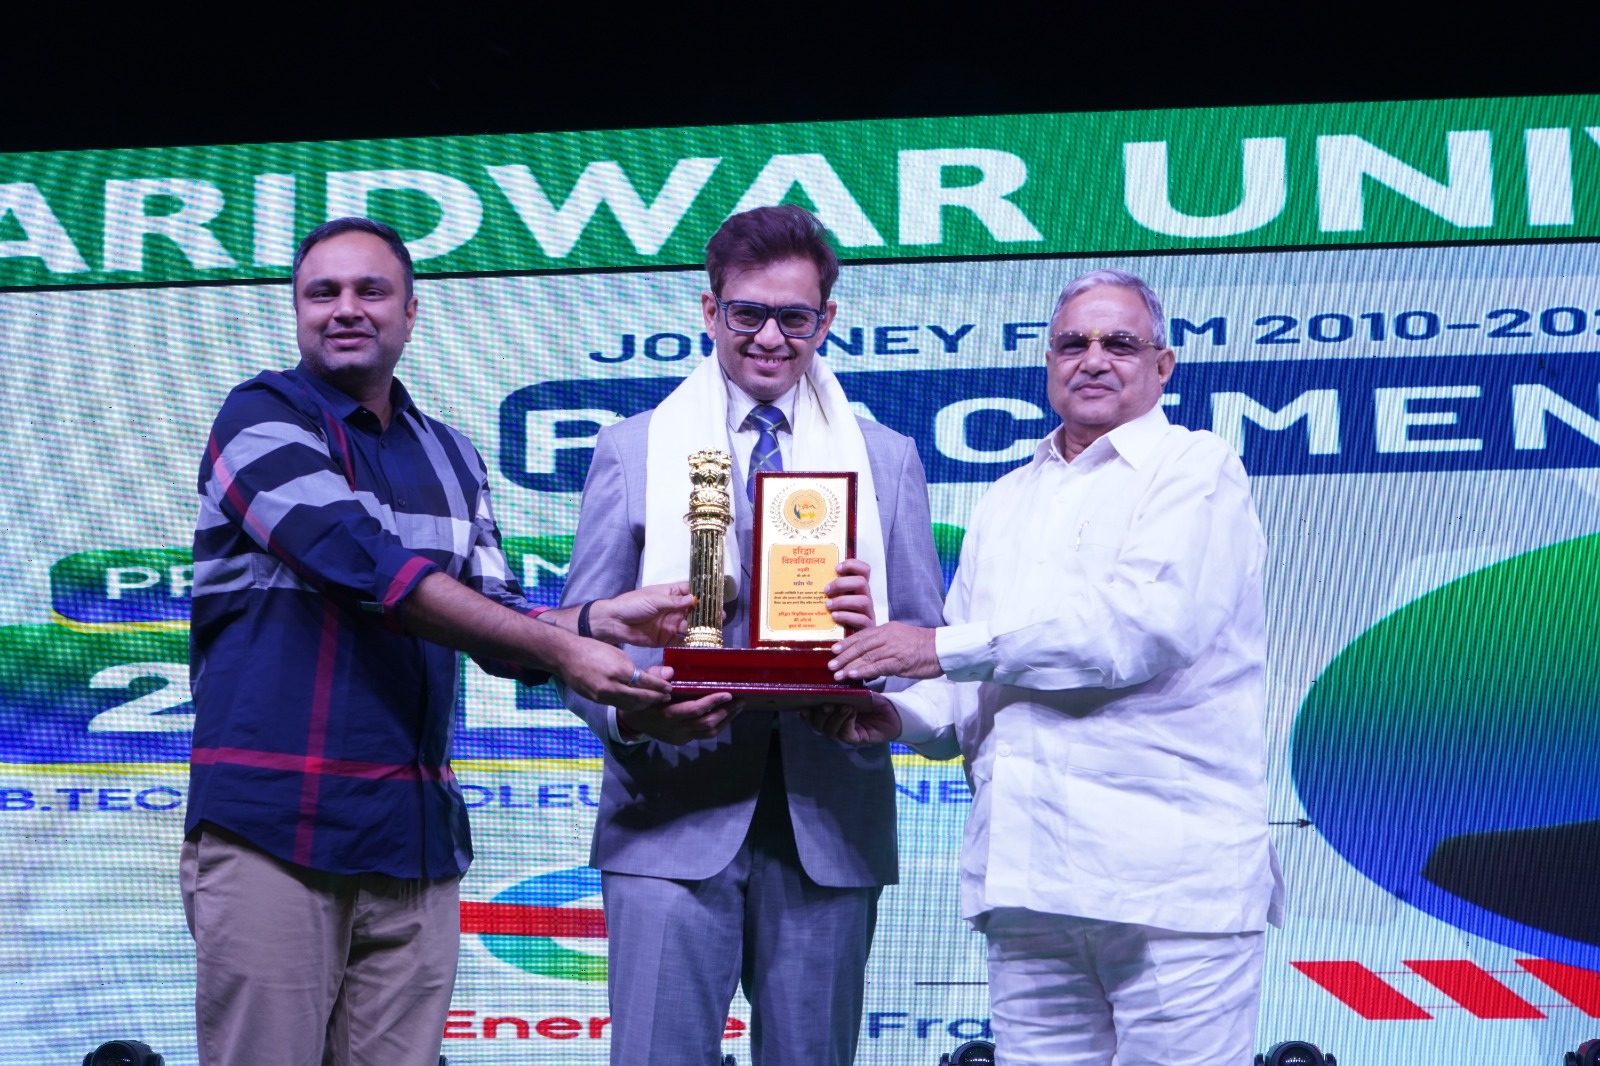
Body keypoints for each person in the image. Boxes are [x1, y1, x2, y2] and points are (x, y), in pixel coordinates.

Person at [183, 217, 696, 1066]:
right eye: (322, 293)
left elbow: (494, 620)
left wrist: (595, 621)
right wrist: (567, 647)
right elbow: (364, 566)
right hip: (274, 829)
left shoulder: (452, 454)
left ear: (411, 312)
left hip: (412, 841)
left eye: (371, 290)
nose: (346, 309)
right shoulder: (258, 419)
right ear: (298, 311)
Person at [823, 269, 1285, 1065]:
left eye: (1120, 343)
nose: (1094, 359)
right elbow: (966, 686)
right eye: (1074, 343)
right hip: (1027, 879)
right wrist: (894, 714)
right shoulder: (1005, 499)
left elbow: (1138, 632)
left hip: (1169, 887)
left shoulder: (1197, 468)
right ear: (1049, 363)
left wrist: (931, 648)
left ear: (1163, 365)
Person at [559, 205, 947, 1066]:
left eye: (794, 317)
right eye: (748, 313)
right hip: (666, 813)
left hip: (830, 819)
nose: (770, 337)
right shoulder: (634, 450)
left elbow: (930, 649)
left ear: (826, 320)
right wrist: (633, 715)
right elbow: (574, 641)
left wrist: (874, 646)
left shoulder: (886, 460)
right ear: (711, 311)